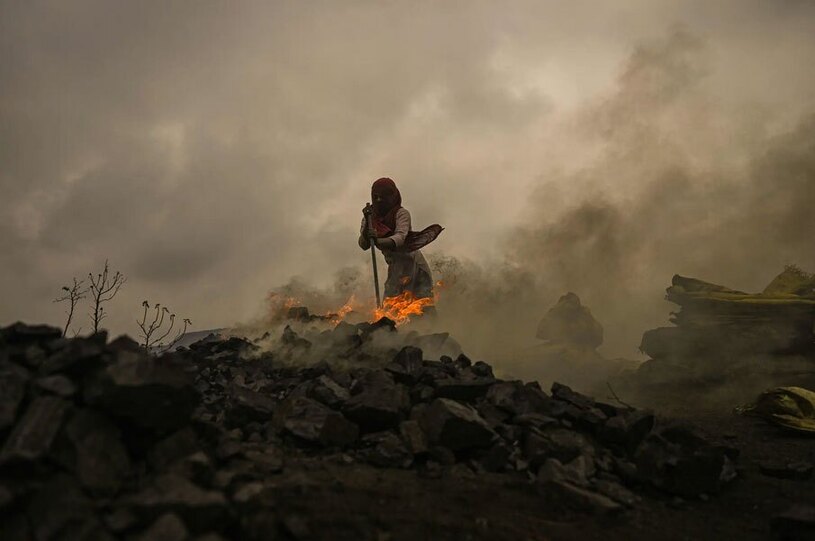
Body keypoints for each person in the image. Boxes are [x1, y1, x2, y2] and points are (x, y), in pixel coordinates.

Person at [358, 177, 443, 299]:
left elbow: (400, 238)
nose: (379, 200)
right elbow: (363, 245)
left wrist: (377, 240)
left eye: (384, 196)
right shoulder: (370, 218)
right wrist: (367, 227)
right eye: (376, 196)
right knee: (390, 306)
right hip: (395, 268)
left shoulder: (401, 214)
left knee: (422, 307)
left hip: (413, 266)